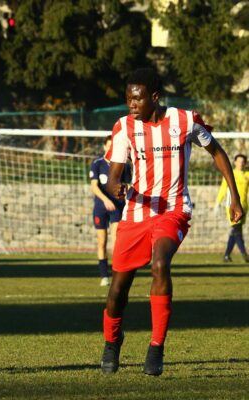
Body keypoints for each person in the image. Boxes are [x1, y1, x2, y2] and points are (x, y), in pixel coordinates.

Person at [99, 68, 243, 376]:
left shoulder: (185, 121)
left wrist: (234, 196)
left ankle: (156, 348)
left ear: (154, 97)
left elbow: (217, 152)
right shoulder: (123, 127)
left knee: (160, 264)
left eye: (136, 99)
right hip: (136, 212)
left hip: (173, 210)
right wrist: (115, 187)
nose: (130, 105)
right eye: (127, 98)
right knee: (117, 291)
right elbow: (113, 176)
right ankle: (112, 342)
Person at [89, 136, 131, 286]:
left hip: (117, 207)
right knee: (102, 242)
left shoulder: (123, 165)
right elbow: (94, 186)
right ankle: (104, 276)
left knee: (117, 241)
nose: (110, 149)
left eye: (113, 146)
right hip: (101, 207)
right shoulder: (97, 164)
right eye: (108, 146)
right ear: (104, 147)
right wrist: (105, 200)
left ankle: (116, 274)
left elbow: (127, 185)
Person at [214, 154, 249, 262]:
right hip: (232, 206)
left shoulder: (247, 175)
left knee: (235, 231)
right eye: (239, 161)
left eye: (243, 161)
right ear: (234, 162)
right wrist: (217, 203)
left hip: (244, 206)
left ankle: (226, 255)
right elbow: (223, 188)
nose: (241, 163)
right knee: (237, 230)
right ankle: (245, 255)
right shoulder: (230, 173)